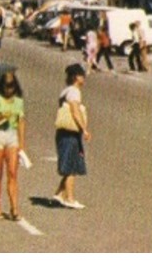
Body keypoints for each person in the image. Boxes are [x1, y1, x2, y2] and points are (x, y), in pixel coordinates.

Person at [0, 70, 26, 221]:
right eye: (6, 86)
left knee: (13, 173)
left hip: (12, 136)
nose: (8, 90)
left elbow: (21, 121)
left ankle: (14, 208)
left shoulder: (18, 101)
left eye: (11, 86)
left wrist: (22, 143)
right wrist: (0, 116)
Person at [54, 63, 90, 209]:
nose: (84, 78)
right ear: (76, 77)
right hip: (70, 133)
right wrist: (84, 129)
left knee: (71, 162)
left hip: (64, 133)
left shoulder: (66, 91)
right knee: (72, 166)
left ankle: (59, 193)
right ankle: (70, 198)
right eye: (82, 75)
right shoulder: (74, 92)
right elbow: (75, 111)